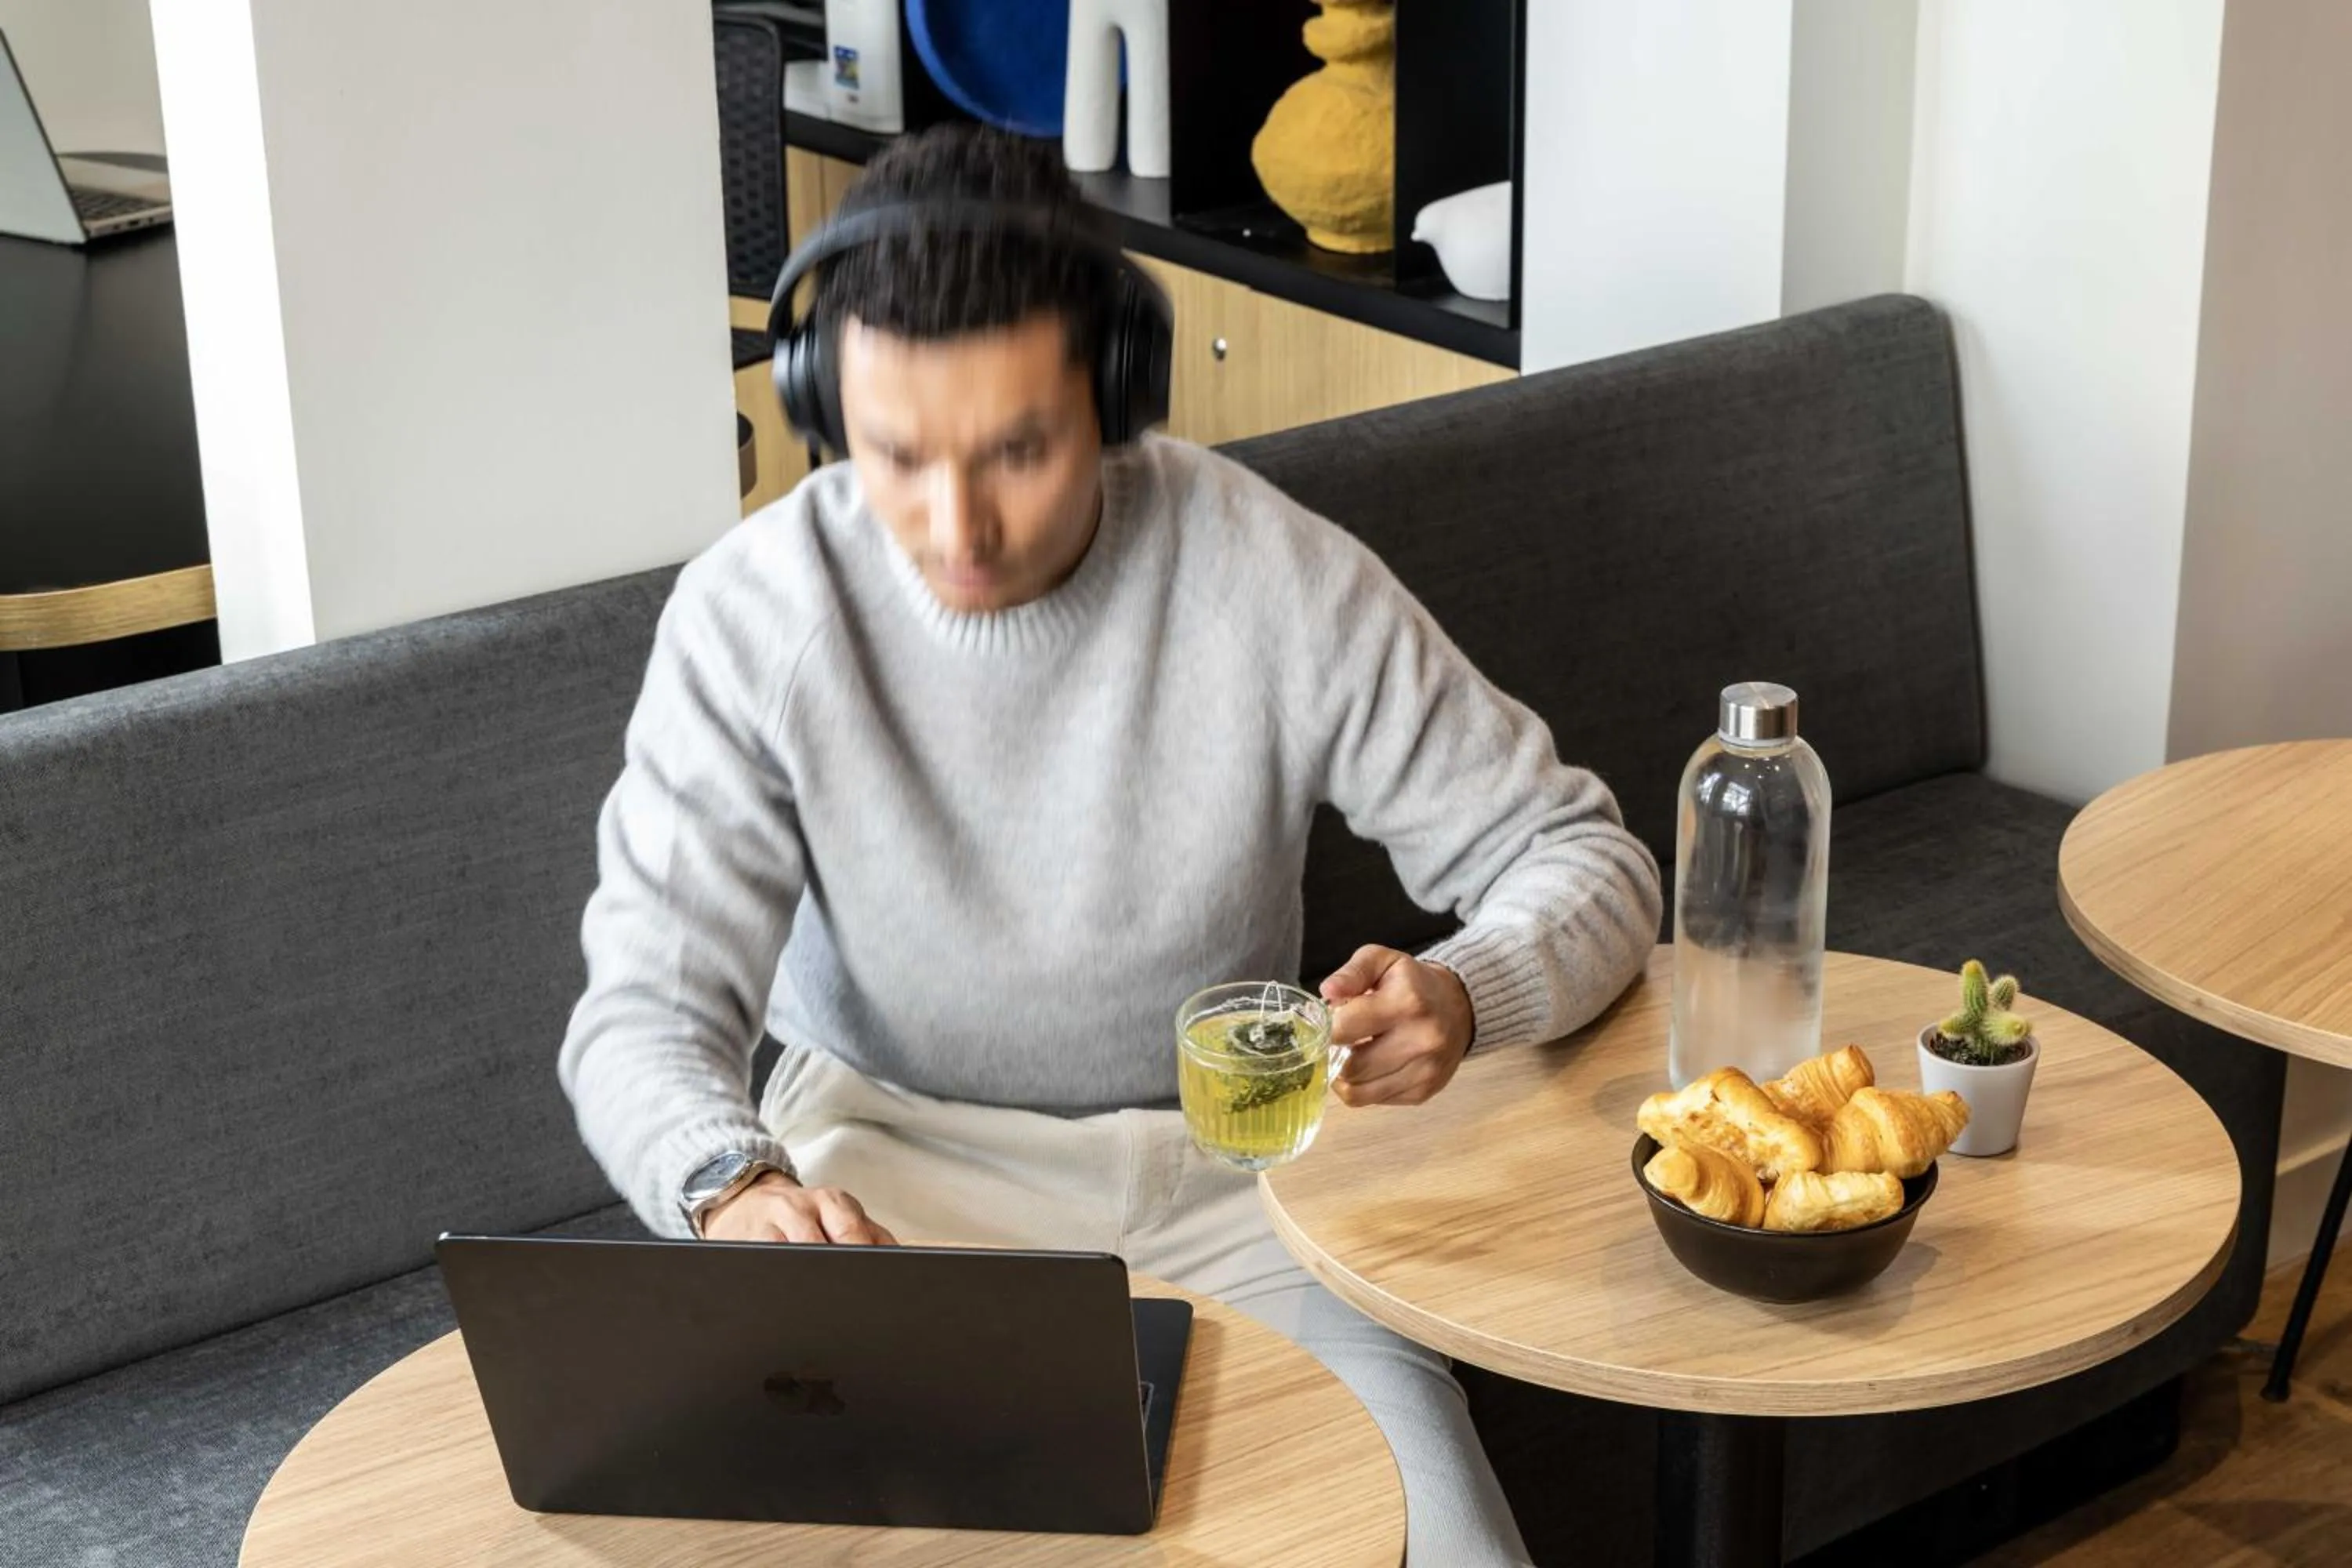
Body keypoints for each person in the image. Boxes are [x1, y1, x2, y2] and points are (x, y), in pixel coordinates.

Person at [559, 125, 1661, 1566]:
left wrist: (1468, 989)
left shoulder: (1267, 574)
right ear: (830, 413)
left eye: (1019, 450)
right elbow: (642, 1013)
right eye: (896, 457)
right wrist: (730, 1185)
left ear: (1118, 399)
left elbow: (1586, 859)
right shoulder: (756, 611)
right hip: (886, 1197)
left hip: (1245, 1186)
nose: (956, 529)